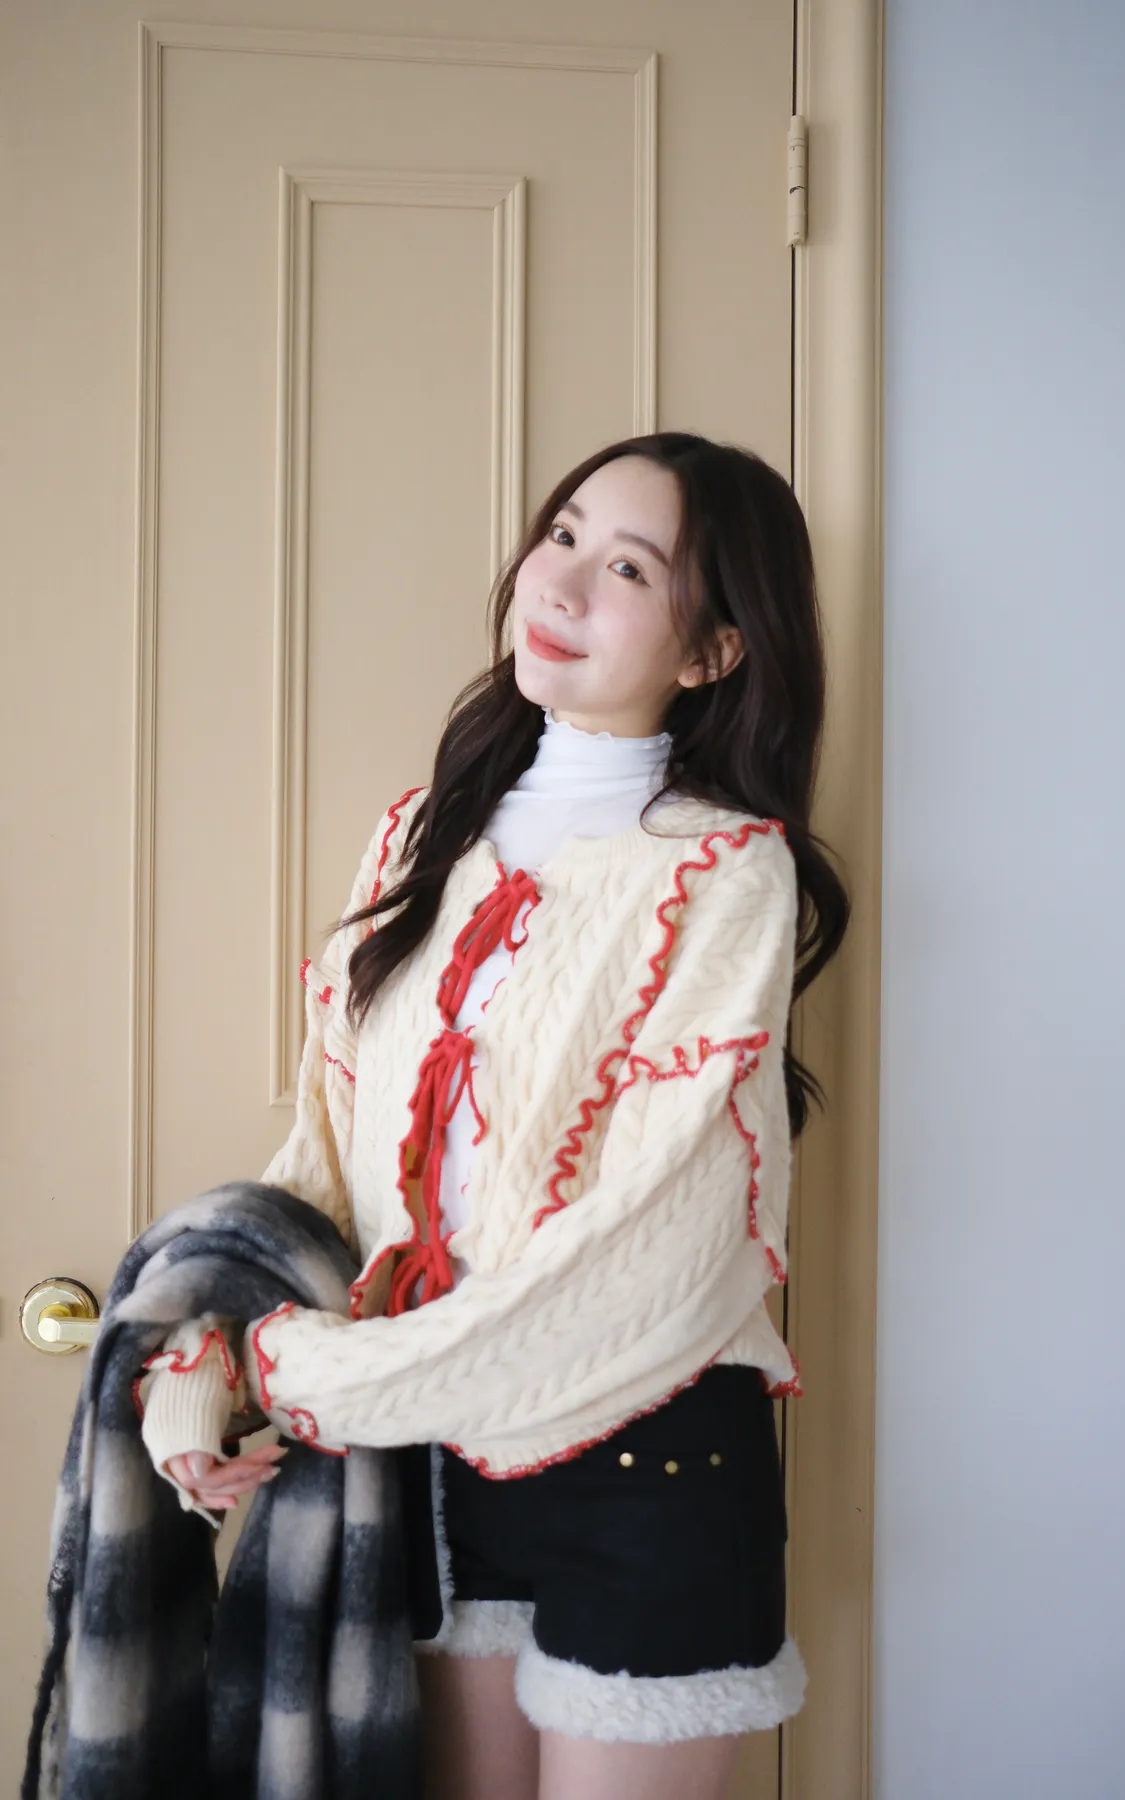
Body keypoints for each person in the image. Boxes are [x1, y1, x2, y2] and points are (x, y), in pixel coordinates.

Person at [136, 431, 851, 1800]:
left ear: (714, 651)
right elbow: (328, 1158)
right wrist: (208, 1360)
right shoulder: (420, 836)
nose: (562, 583)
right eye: (562, 534)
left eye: (629, 568)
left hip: (644, 1451)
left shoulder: (725, 873)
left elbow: (657, 1247)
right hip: (427, 1456)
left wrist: (311, 1377)